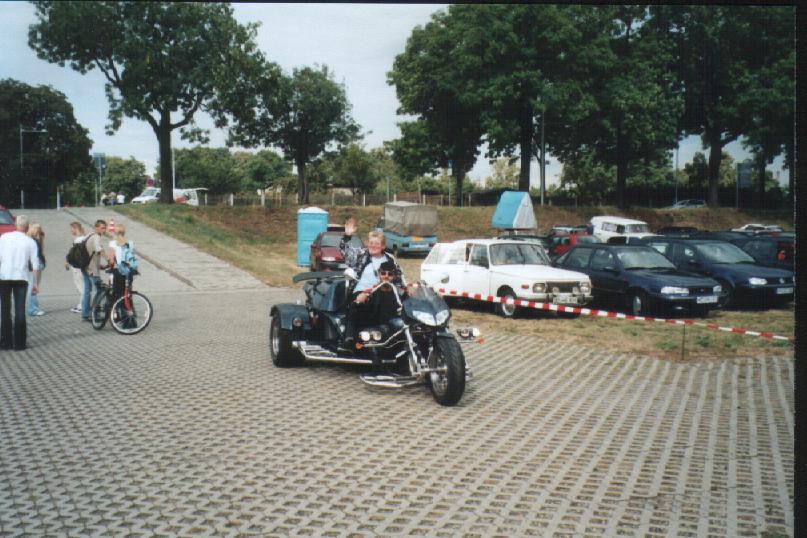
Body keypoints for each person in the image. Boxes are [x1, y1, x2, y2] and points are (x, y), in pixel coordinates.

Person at [339, 217, 405, 347]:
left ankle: (395, 338)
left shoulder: (390, 259)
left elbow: (399, 277)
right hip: (362, 292)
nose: (373, 246)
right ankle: (349, 338)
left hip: (384, 293)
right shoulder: (362, 255)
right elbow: (346, 253)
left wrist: (407, 289)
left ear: (383, 246)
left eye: (376, 243)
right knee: (356, 305)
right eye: (371, 243)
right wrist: (347, 236)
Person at [0, 215, 40, 350]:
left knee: (5, 310)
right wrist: (35, 284)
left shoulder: (4, 237)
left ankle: (6, 342)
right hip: (21, 278)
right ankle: (20, 343)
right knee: (20, 310)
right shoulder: (30, 242)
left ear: (15, 225)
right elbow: (35, 264)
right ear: (27, 227)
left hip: (4, 276)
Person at [81, 220, 107, 322]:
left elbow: (90, 253)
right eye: (102, 228)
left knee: (87, 290)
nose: (104, 230)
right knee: (99, 290)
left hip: (84, 267)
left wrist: (99, 265)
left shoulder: (89, 235)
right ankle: (94, 314)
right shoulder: (96, 237)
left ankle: (85, 313)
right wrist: (109, 260)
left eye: (105, 228)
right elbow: (99, 250)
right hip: (92, 269)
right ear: (96, 228)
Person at [106, 223, 133, 304]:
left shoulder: (113, 243)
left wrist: (107, 265)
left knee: (116, 292)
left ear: (115, 232)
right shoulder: (130, 243)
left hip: (117, 270)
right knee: (126, 292)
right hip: (128, 271)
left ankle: (115, 309)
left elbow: (111, 260)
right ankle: (127, 308)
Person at [65, 222, 86, 313]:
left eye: (71, 229)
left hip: (77, 267)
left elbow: (73, 254)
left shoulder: (78, 240)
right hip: (82, 266)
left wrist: (68, 261)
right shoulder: (84, 238)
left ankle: (82, 306)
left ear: (75, 228)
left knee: (81, 286)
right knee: (82, 285)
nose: (70, 231)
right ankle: (82, 304)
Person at [26, 223, 46, 316]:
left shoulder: (32, 240)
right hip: (35, 266)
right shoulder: (34, 241)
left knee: (33, 286)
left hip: (34, 266)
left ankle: (34, 308)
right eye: (39, 230)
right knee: (33, 287)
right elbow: (37, 255)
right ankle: (33, 309)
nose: (40, 232)